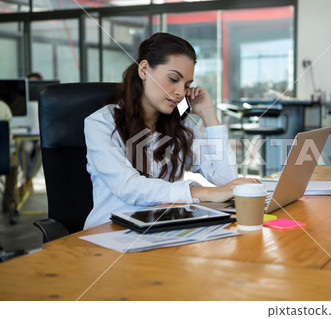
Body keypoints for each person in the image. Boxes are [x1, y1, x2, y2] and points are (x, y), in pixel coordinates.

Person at [84, 33, 257, 229]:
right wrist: (202, 193)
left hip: (163, 229)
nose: (180, 92)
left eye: (186, 85)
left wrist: (208, 114)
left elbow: (225, 180)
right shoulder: (101, 123)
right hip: (109, 233)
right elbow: (128, 187)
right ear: (144, 70)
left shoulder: (181, 127)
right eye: (173, 79)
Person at [0, 99, 18, 217]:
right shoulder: (3, 107)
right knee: (14, 161)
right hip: (1, 161)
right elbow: (9, 138)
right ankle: (9, 203)